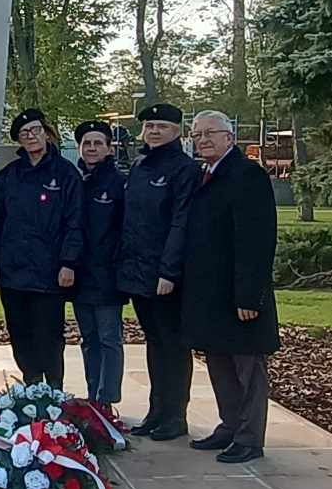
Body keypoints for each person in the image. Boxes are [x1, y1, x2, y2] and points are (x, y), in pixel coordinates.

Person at [181, 109, 280, 463]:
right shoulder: (204, 175)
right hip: (210, 294)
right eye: (197, 135)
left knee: (247, 369)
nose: (203, 139)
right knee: (219, 362)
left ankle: (250, 437)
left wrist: (249, 295)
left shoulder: (247, 175)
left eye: (210, 133)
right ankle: (230, 425)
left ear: (229, 137)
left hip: (240, 294)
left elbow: (257, 239)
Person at [0, 108, 84, 389]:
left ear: (46, 134)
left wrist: (69, 262)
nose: (32, 136)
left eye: (36, 130)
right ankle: (31, 386)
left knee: (49, 336)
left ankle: (54, 390)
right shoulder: (10, 175)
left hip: (50, 272)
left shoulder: (65, 173)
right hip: (13, 271)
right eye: (25, 133)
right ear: (20, 141)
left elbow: (75, 220)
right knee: (21, 334)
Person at [116, 102, 199, 440]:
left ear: (177, 131)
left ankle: (175, 415)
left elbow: (181, 223)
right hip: (138, 271)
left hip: (165, 276)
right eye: (149, 126)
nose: (153, 131)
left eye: (161, 126)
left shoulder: (183, 169)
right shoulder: (139, 166)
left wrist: (169, 272)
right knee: (154, 342)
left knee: (173, 344)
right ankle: (156, 411)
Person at [70, 120, 125, 410]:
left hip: (108, 275)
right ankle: (93, 396)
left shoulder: (118, 184)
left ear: (108, 148)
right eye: (86, 143)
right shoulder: (75, 180)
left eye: (97, 143)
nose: (91, 148)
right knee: (88, 339)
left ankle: (107, 399)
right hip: (80, 275)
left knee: (109, 339)